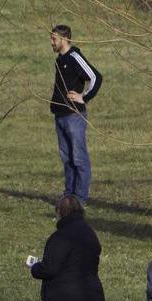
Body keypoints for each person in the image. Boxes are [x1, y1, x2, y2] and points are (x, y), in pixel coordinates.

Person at [49, 25, 103, 204]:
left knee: (79, 158)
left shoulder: (74, 57)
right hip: (60, 115)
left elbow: (96, 77)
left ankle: (79, 199)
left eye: (54, 39)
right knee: (67, 159)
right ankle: (69, 195)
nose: (51, 42)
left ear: (64, 39)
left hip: (73, 116)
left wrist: (84, 97)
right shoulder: (60, 60)